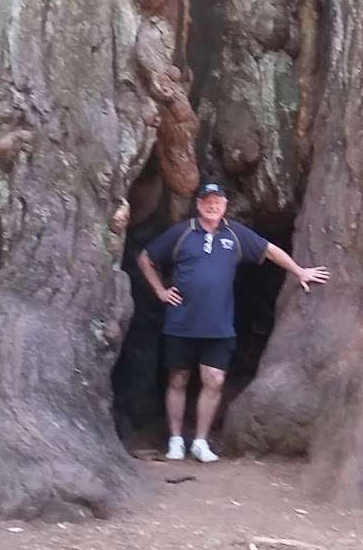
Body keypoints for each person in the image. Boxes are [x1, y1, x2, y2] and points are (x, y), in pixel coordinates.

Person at [136, 180, 330, 463]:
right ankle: (176, 440)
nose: (213, 205)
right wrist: (160, 291)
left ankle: (200, 442)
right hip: (182, 322)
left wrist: (299, 271)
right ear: (199, 204)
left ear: (225, 205)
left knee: (213, 379)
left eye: (218, 200)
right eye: (207, 201)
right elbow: (145, 258)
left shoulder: (235, 234)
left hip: (218, 324)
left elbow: (269, 250)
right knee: (178, 378)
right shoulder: (182, 233)